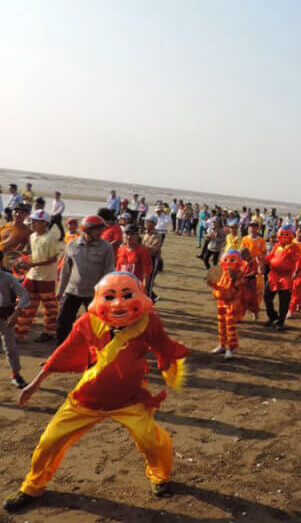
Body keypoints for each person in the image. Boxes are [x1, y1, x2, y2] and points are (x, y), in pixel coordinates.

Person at [2, 272, 189, 512]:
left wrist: (169, 367)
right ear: (101, 299)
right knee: (49, 441)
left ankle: (160, 477)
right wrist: (36, 383)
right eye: (110, 297)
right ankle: (32, 485)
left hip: (130, 398)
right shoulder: (88, 322)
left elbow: (163, 345)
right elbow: (66, 349)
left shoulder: (148, 321)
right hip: (88, 397)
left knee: (152, 442)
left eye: (127, 295)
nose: (118, 304)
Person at [55, 215, 115, 344]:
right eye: (97, 229)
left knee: (100, 327)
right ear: (87, 229)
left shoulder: (106, 247)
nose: (101, 232)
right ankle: (60, 354)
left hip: (94, 295)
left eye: (101, 229)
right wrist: (60, 291)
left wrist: (105, 295)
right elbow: (65, 271)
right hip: (72, 291)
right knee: (62, 325)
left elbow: (109, 272)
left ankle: (100, 356)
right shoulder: (71, 245)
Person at [15, 210, 61, 343]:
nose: (32, 223)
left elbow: (53, 259)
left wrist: (33, 264)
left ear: (44, 223)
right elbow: (34, 253)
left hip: (46, 278)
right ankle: (20, 333)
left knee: (50, 308)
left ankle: (49, 333)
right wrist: (23, 255)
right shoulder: (33, 236)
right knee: (25, 303)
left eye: (35, 221)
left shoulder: (51, 238)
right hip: (32, 275)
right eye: (32, 221)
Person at [263, 225, 301, 329]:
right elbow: (270, 257)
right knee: (267, 296)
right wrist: (262, 259)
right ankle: (272, 316)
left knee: (284, 301)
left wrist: (296, 271)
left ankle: (280, 322)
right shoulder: (276, 246)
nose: (284, 236)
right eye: (282, 234)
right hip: (273, 276)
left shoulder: (294, 248)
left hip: (286, 277)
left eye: (287, 234)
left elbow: (298, 260)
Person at [208, 251, 245, 359]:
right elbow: (218, 286)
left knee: (230, 326)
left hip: (232, 303)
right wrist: (212, 283)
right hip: (221, 302)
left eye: (232, 260)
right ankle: (221, 345)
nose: (228, 262)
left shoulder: (239, 275)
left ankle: (230, 348)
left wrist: (234, 279)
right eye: (226, 259)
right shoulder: (221, 272)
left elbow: (237, 290)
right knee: (221, 324)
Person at [0, 256, 30, 388]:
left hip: (6, 316)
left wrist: (16, 313)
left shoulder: (8, 277)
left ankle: (15, 374)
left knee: (10, 347)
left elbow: (24, 295)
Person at [141, 216, 163, 300]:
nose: (146, 223)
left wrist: (143, 247)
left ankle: (150, 300)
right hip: (144, 259)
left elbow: (154, 249)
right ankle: (153, 297)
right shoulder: (145, 233)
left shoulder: (157, 235)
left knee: (149, 282)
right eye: (146, 221)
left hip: (153, 260)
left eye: (148, 221)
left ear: (153, 223)